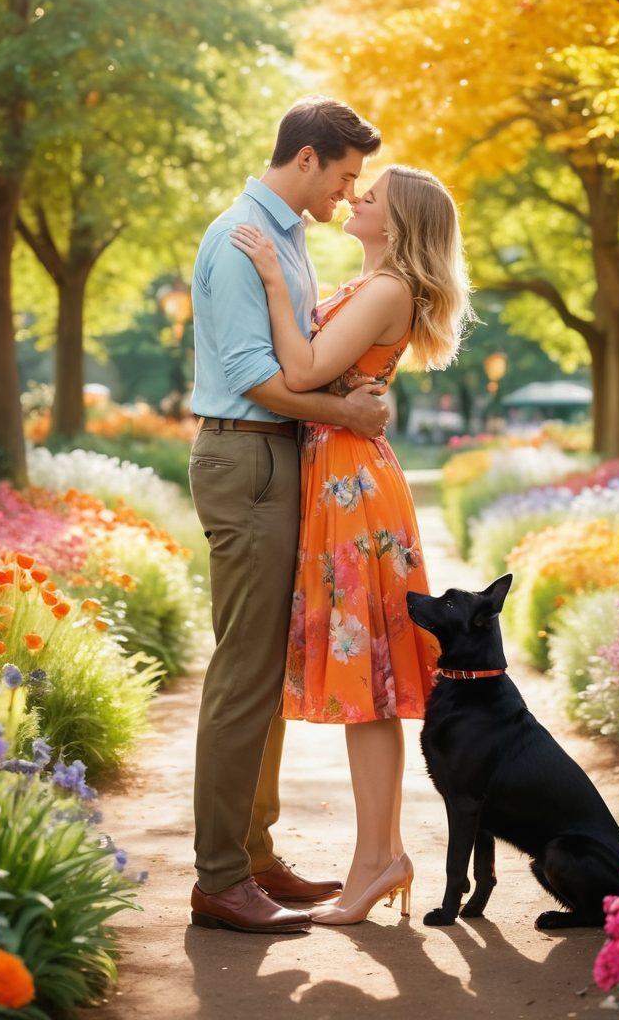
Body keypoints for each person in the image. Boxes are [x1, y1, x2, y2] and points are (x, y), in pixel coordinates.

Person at [230, 164, 475, 924]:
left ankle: (378, 860)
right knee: (368, 686)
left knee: (370, 684)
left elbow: (301, 369)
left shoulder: (387, 289)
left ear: (398, 223)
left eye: (374, 195)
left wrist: (271, 276)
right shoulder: (374, 284)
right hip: (344, 480)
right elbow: (324, 378)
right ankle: (382, 857)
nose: (357, 196)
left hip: (355, 493)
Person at [188, 97, 386, 935]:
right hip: (246, 453)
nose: (349, 196)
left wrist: (347, 391)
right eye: (343, 177)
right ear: (306, 158)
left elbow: (301, 364)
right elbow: (255, 378)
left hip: (279, 457)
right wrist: (350, 416)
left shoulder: (291, 239)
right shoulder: (242, 238)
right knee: (243, 674)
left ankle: (254, 856)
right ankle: (219, 878)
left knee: (266, 671)